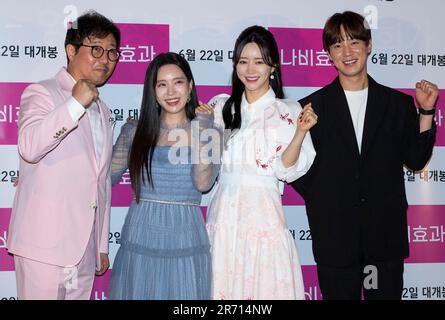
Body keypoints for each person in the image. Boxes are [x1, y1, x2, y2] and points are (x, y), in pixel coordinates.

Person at [291, 11, 438, 300]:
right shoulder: (310, 108)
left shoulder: (397, 104)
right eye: (337, 45)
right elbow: (295, 167)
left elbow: (416, 159)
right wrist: (324, 197)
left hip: (383, 241)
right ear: (328, 55)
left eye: (354, 42)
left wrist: (426, 112)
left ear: (368, 45)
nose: (347, 52)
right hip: (334, 240)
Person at [198, 25, 318, 300]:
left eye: (259, 61)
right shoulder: (220, 107)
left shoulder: (289, 111)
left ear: (272, 66)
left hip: (264, 217)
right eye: (243, 61)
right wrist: (200, 127)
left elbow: (284, 170)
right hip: (224, 218)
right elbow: (206, 167)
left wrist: (300, 132)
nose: (250, 70)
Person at [7, 11, 120, 300]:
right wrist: (74, 104)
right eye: (95, 49)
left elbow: (101, 181)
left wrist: (101, 245)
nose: (104, 59)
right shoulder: (42, 93)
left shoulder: (103, 110)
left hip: (83, 251)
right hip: (43, 247)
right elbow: (29, 147)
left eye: (111, 52)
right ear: (71, 50)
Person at [108, 52, 221, 300]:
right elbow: (104, 177)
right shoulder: (134, 132)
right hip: (141, 234)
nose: (170, 92)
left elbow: (203, 183)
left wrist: (202, 128)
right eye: (162, 84)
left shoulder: (209, 132)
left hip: (185, 236)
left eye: (178, 82)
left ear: (190, 87)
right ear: (153, 91)